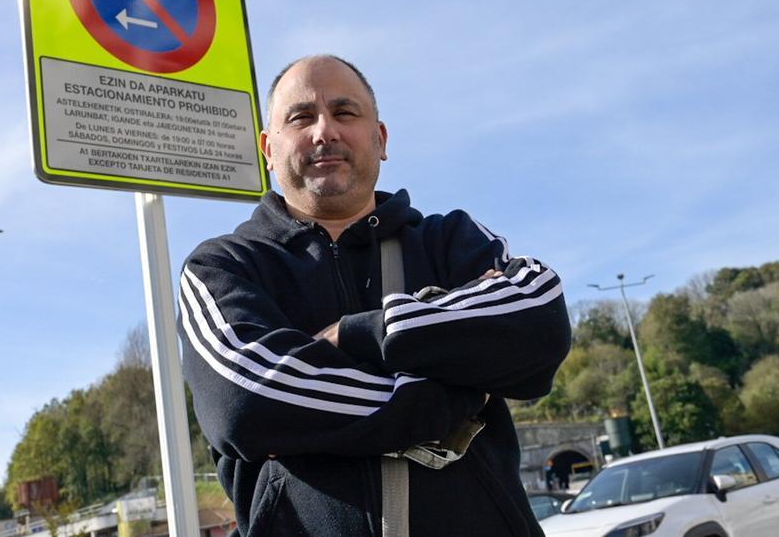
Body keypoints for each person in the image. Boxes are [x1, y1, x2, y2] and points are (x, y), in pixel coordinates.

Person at [178, 55, 571, 536]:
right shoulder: (222, 267)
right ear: (268, 148)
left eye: (345, 113)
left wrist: (361, 334)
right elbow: (247, 398)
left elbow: (539, 316)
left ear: (380, 140)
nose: (325, 131)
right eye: (301, 117)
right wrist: (446, 397)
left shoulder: (450, 240)